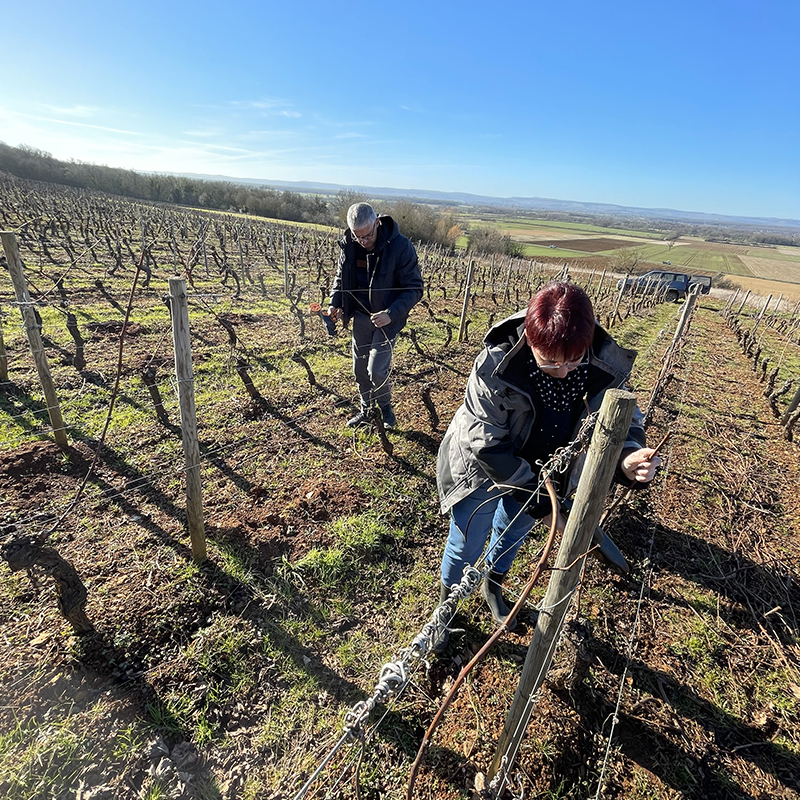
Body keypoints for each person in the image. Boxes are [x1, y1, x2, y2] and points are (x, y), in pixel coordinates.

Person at [436, 281, 661, 631]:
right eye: (549, 363)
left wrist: (628, 456)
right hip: (481, 468)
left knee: (511, 533)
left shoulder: (603, 363)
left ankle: (493, 587)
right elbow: (485, 444)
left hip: (546, 470)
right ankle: (446, 609)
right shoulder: (496, 363)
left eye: (573, 362)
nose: (562, 371)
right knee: (467, 541)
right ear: (530, 340)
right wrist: (540, 505)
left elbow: (623, 414)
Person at [328, 203, 423, 429]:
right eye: (357, 236)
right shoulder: (350, 245)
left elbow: (415, 288)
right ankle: (366, 411)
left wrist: (391, 314)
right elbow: (341, 277)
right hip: (360, 318)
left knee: (376, 371)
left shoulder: (400, 247)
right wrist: (335, 301)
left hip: (387, 322)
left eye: (367, 235)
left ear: (377, 223)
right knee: (359, 369)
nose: (362, 241)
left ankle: (386, 411)